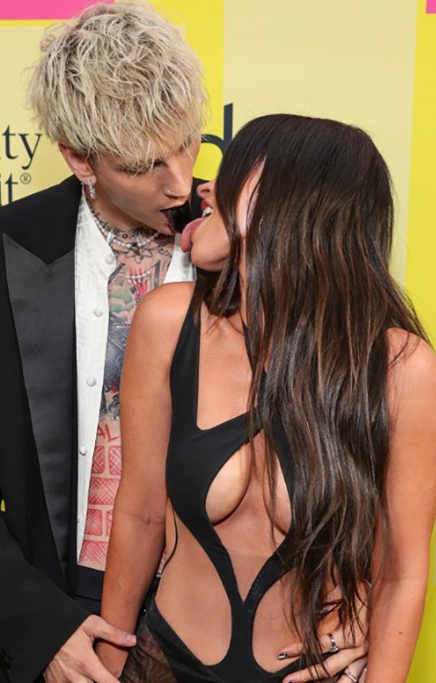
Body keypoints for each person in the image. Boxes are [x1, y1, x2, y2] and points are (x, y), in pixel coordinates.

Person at [0, 3, 204, 681]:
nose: (180, 183)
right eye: (143, 164)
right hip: (61, 618)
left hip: (228, 625)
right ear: (80, 158)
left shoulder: (254, 248)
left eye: (187, 142)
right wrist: (40, 628)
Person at [97, 114, 435, 683]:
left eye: (229, 175)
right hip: (160, 665)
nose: (206, 188)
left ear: (287, 199)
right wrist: (106, 669)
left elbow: (401, 570)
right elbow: (139, 512)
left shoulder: (399, 368)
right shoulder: (168, 322)